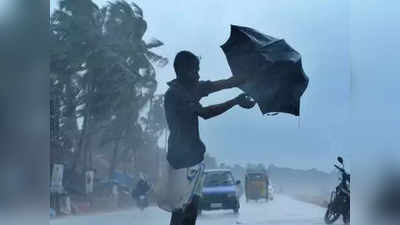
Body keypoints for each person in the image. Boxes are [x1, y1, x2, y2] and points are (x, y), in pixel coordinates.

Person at [164, 50, 255, 225]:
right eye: (194, 71)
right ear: (182, 70)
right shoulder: (176, 94)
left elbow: (219, 85)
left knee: (190, 212)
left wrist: (246, 77)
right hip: (180, 162)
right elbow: (206, 112)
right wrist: (235, 102)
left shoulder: (188, 89)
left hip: (193, 160)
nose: (198, 75)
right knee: (181, 212)